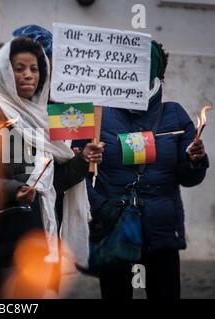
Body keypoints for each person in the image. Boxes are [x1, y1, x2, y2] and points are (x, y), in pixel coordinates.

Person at [0, 37, 104, 298]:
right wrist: (14, 189)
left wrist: (82, 159)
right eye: (19, 68)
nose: (28, 75)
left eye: (34, 68)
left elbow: (52, 183)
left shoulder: (44, 119)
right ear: (4, 71)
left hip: (39, 241)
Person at [86, 40, 209, 299]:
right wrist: (100, 208)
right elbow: (78, 171)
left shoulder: (174, 115)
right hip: (115, 231)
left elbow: (189, 178)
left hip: (161, 233)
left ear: (157, 74)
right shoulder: (96, 116)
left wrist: (194, 160)